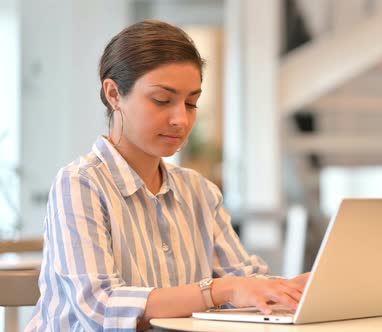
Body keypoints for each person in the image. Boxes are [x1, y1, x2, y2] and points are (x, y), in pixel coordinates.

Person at [25, 20, 309, 331]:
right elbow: (100, 306)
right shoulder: (80, 184)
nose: (181, 119)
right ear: (114, 94)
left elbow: (242, 279)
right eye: (162, 100)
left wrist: (293, 287)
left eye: (191, 103)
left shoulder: (199, 191)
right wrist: (220, 290)